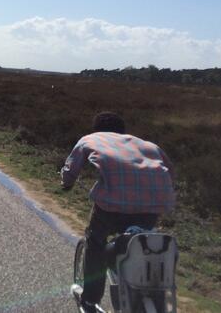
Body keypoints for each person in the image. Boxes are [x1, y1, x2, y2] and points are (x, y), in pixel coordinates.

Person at [61, 112, 176, 313]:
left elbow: (71, 169)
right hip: (154, 203)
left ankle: (89, 300)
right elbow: (170, 171)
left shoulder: (90, 139)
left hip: (112, 206)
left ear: (96, 129)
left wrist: (66, 183)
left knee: (96, 242)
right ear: (123, 130)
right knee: (143, 244)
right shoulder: (147, 145)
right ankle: (145, 289)